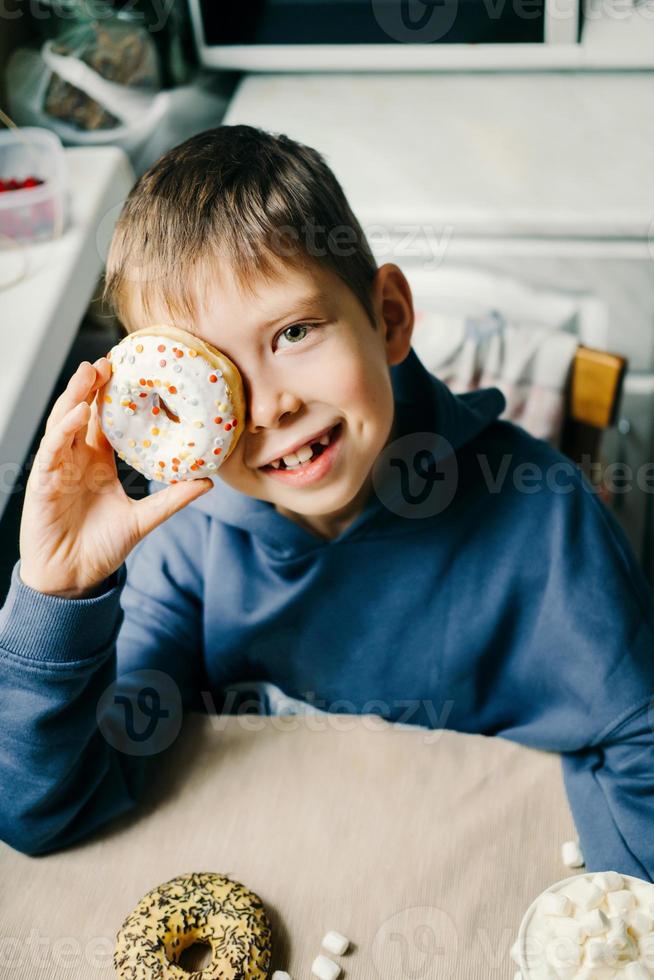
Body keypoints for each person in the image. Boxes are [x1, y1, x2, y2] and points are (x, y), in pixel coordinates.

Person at [0, 126, 652, 877]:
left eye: (294, 332)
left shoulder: (545, 521)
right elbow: (46, 810)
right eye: (214, 377)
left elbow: (639, 748)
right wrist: (58, 592)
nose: (269, 408)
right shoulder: (189, 545)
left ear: (391, 318)